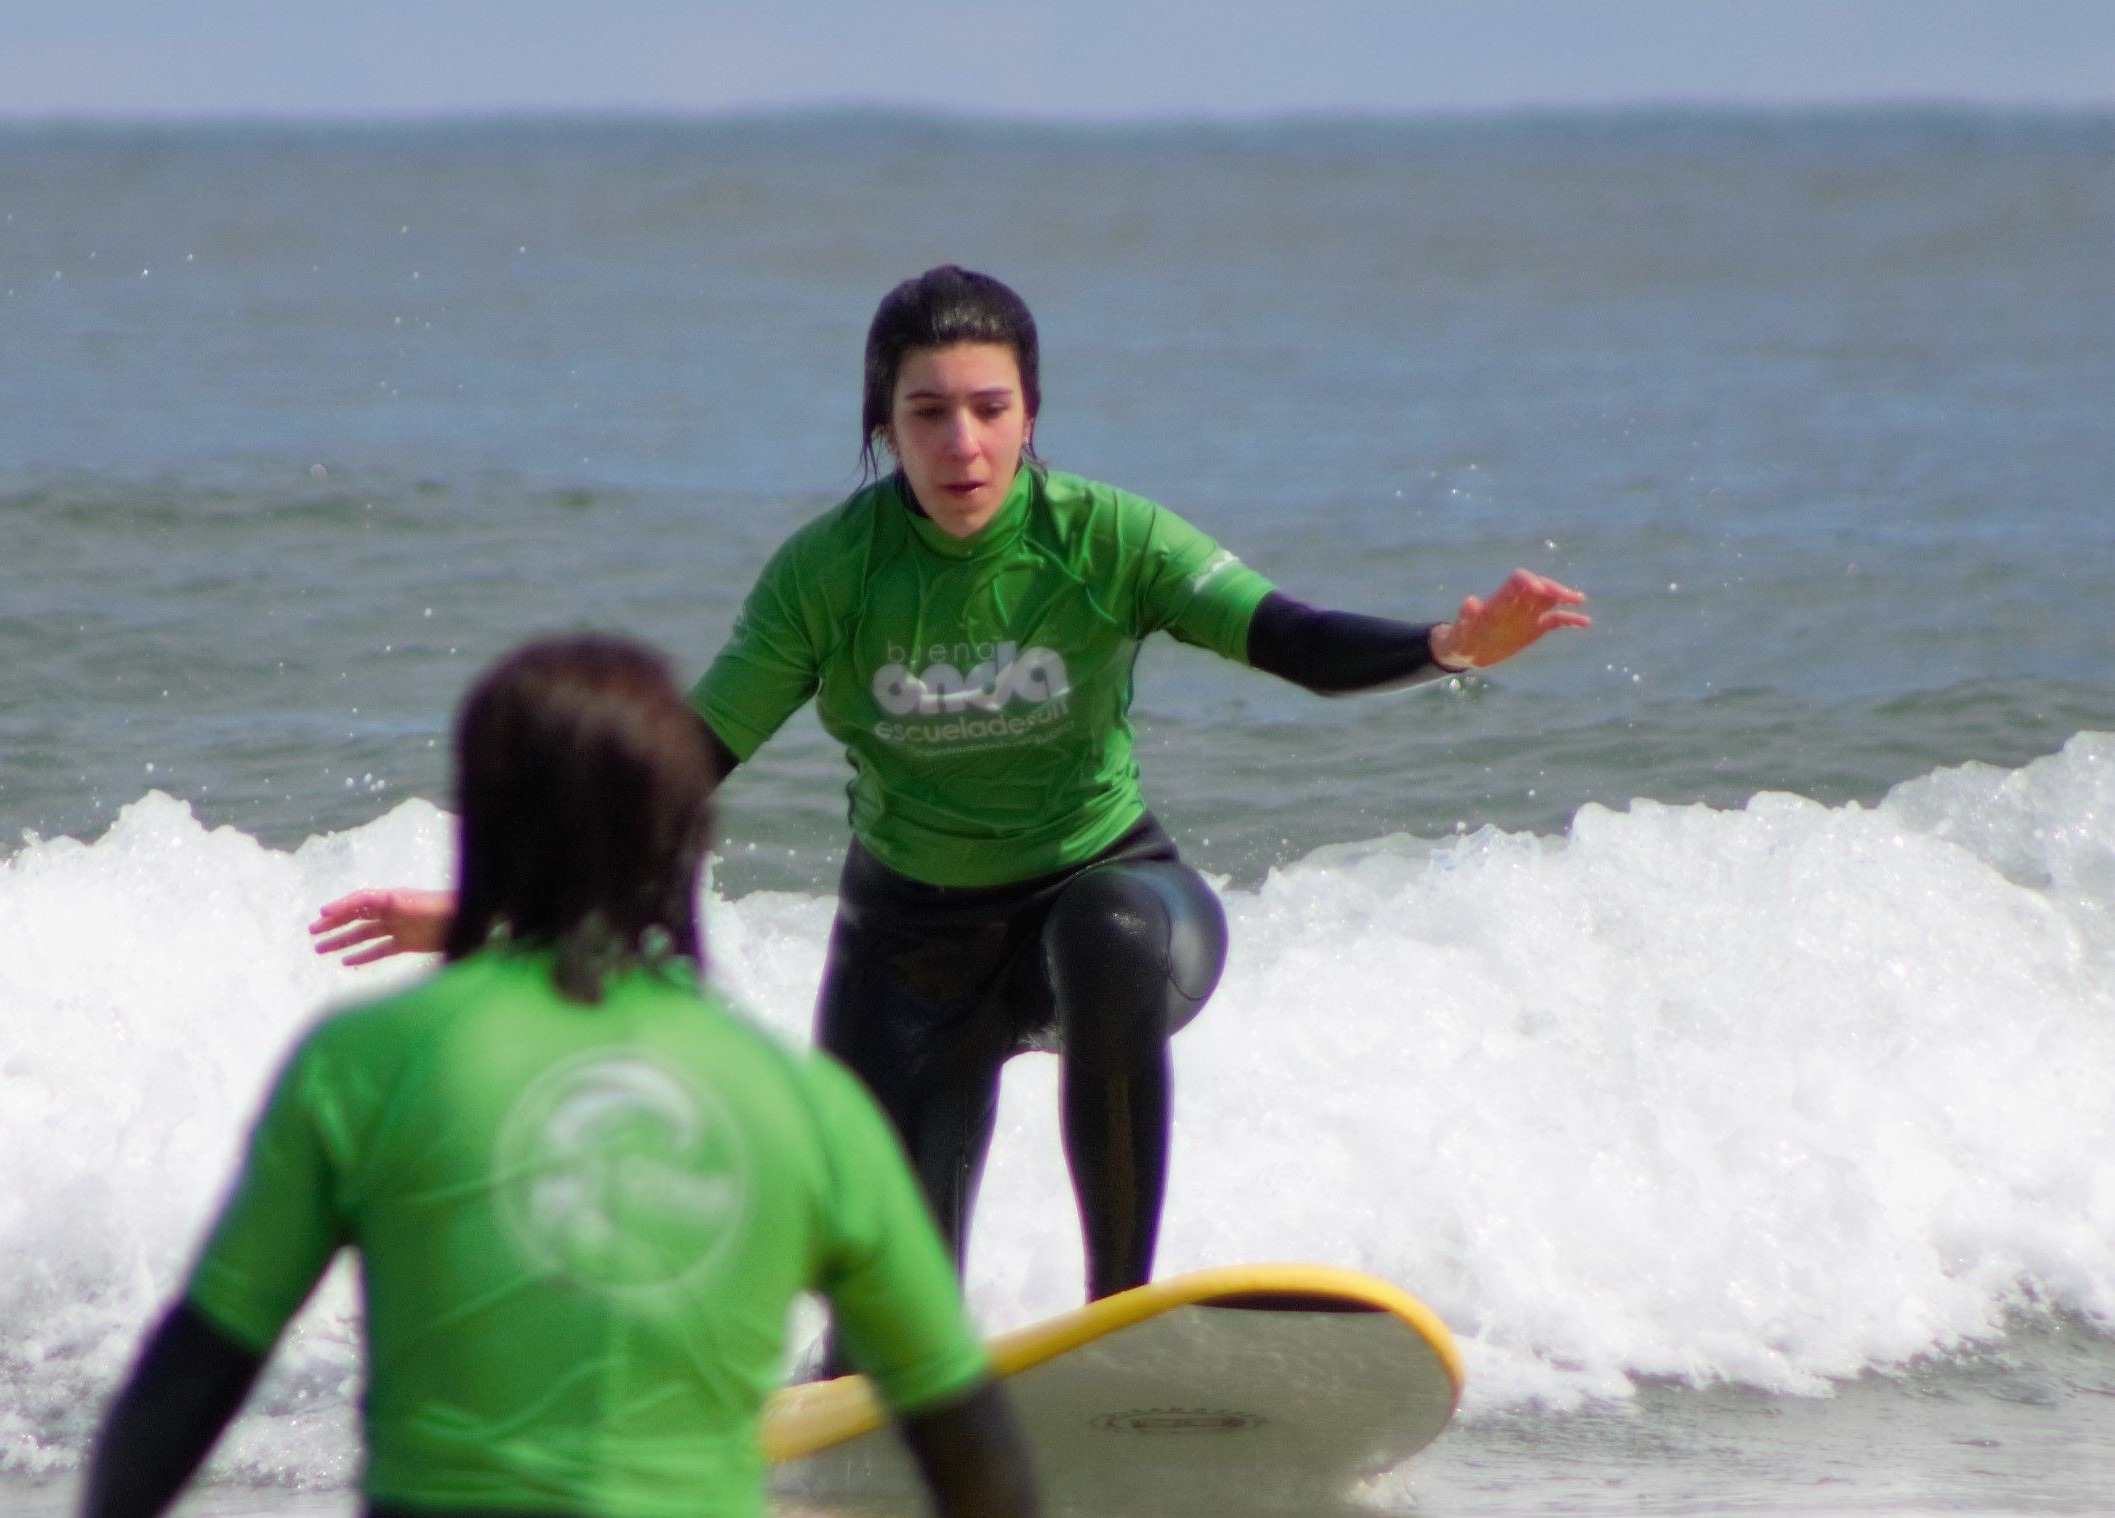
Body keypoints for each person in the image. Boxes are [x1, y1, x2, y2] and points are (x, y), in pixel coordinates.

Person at [315, 267, 1588, 1306]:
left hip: (1112, 904)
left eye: (988, 406)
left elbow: (1290, 639)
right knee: (877, 1331)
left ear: (1032, 414)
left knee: (1106, 929)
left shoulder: (1106, 539)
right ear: (882, 426)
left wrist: (1440, 648)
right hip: (907, 950)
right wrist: (504, 914)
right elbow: (684, 765)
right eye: (927, 412)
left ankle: (1115, 1319)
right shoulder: (827, 574)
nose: (961, 442)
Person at [45, 635, 1043, 1518]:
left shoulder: (369, 1060)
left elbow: (207, 1352)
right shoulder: (801, 1103)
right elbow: (970, 1444)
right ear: (689, 836)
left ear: (486, 823)